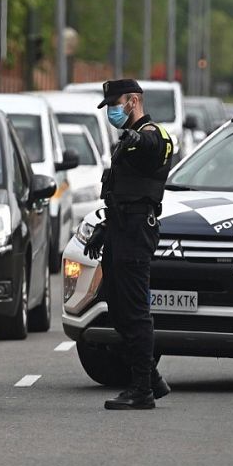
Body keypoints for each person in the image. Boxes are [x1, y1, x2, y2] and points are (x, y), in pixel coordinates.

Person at [82, 79, 175, 410]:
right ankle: (152, 378)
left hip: (136, 232)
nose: (112, 110)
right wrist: (104, 230)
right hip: (119, 229)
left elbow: (158, 144)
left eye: (115, 103)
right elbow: (123, 193)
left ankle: (142, 390)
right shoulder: (126, 140)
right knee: (117, 308)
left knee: (135, 312)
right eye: (108, 105)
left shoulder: (151, 134)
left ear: (133, 101)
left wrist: (140, 138)